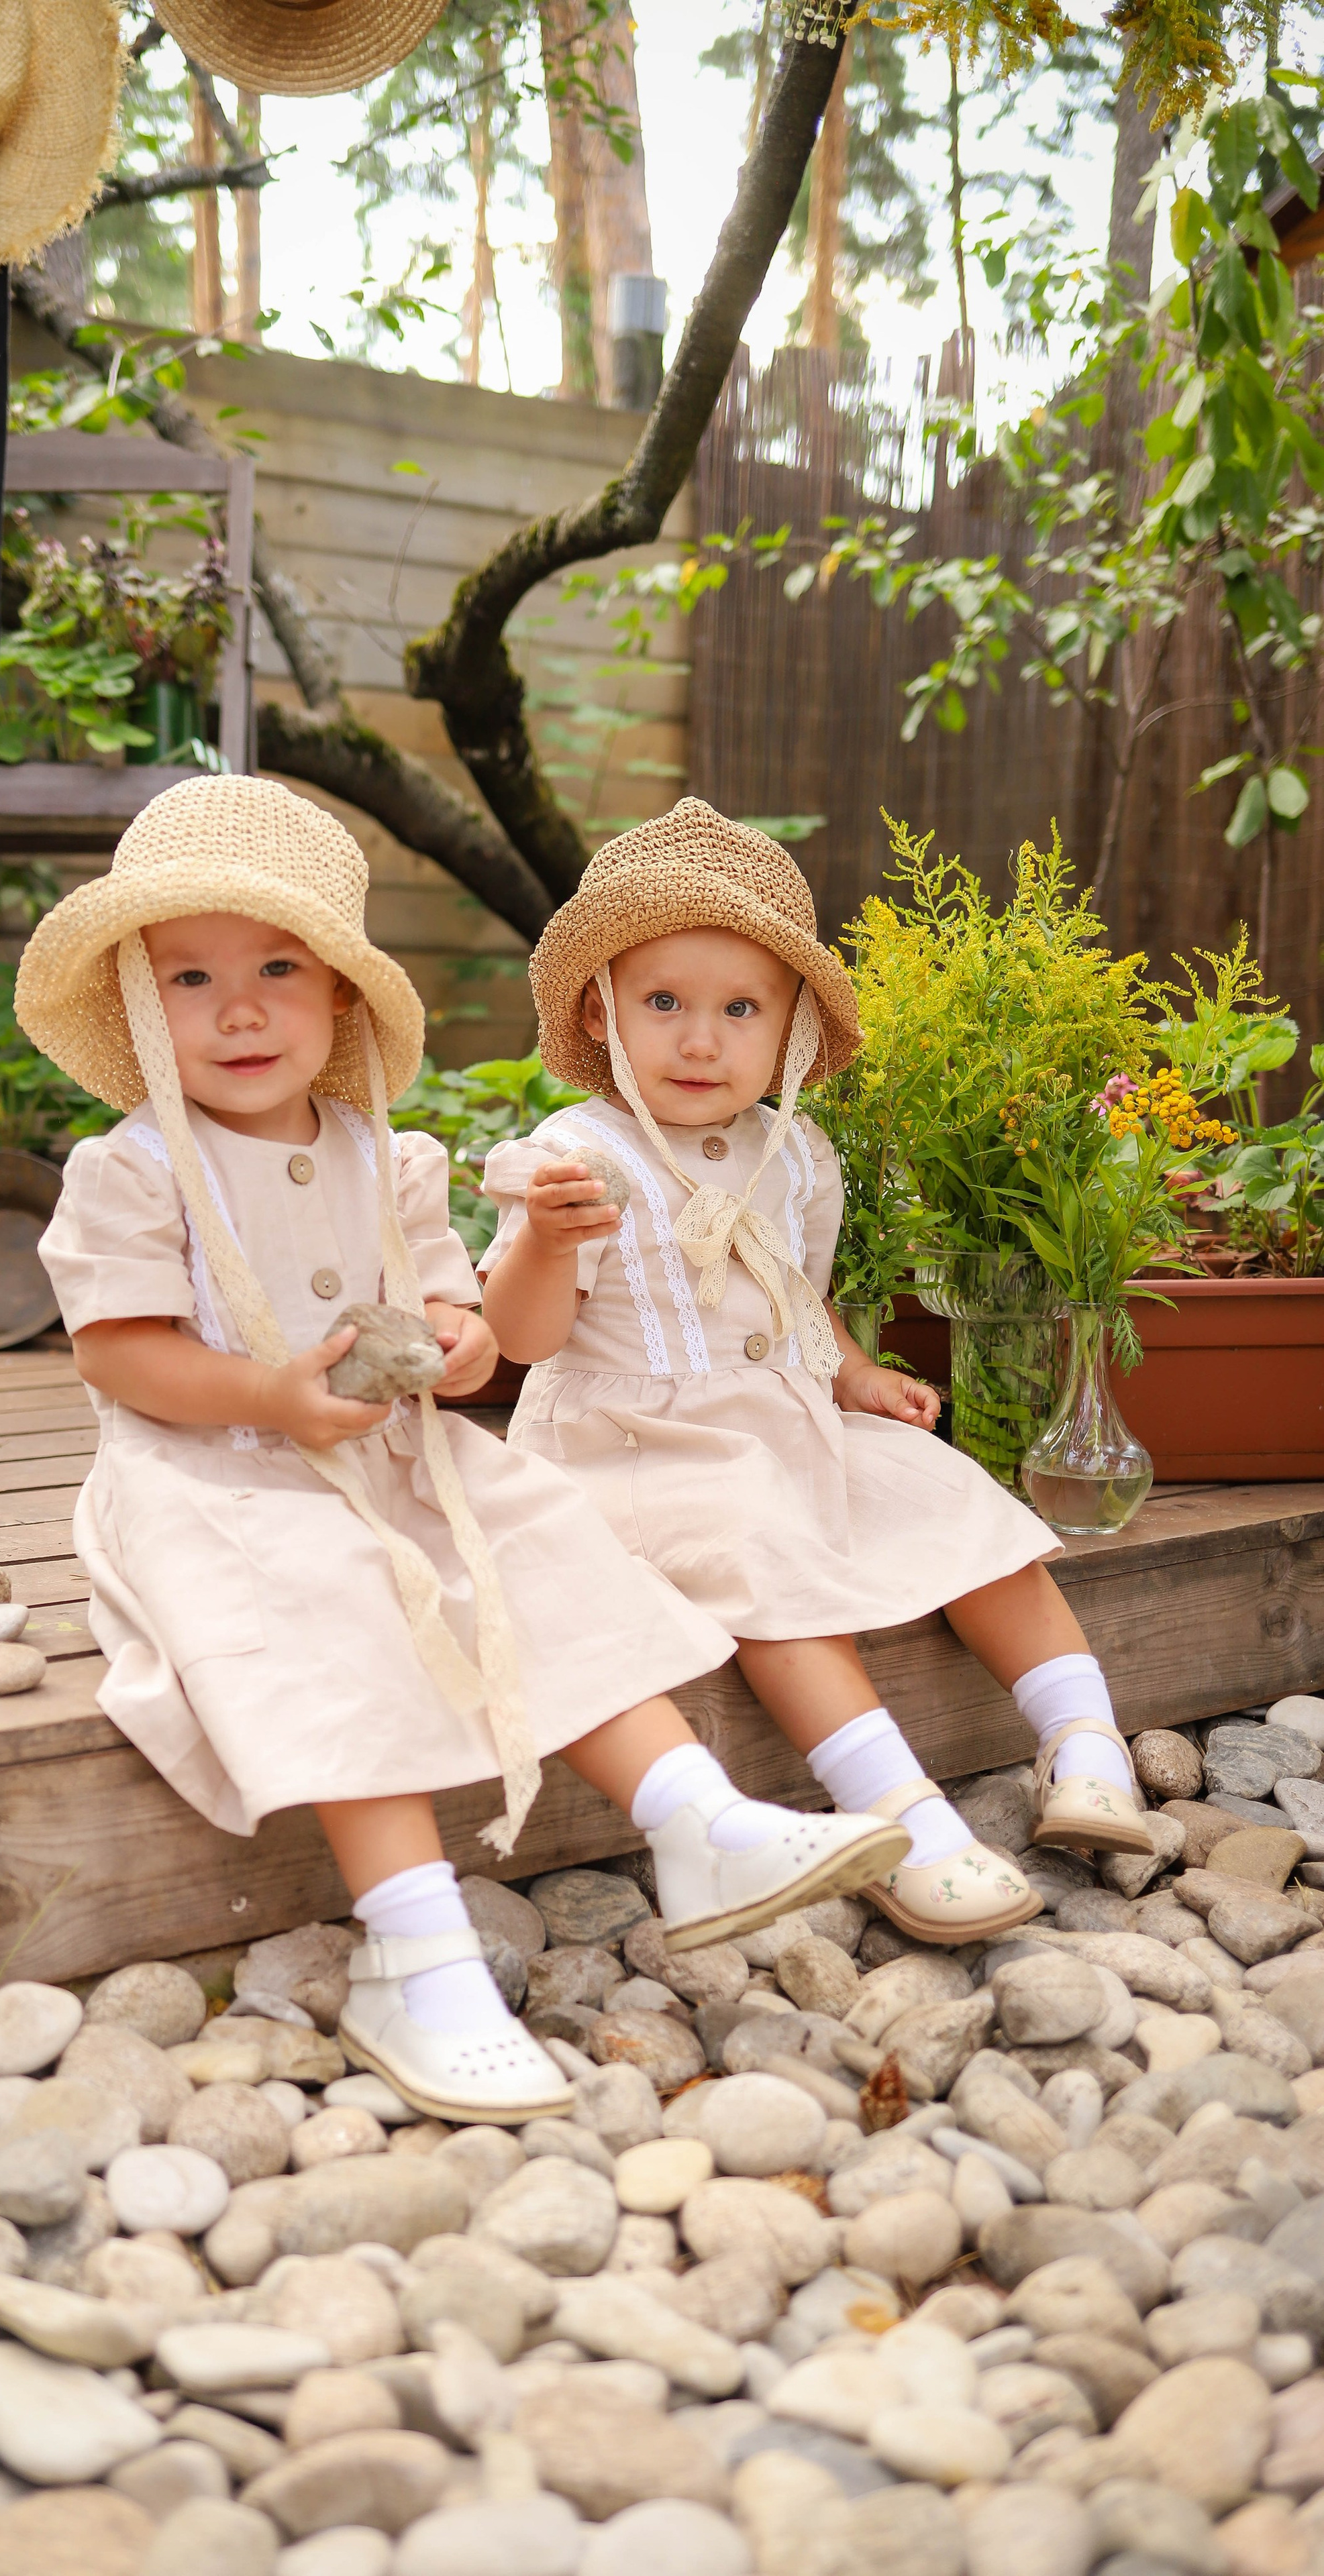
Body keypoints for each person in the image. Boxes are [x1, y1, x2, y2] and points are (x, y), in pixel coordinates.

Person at [15, 777, 910, 2127]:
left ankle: (696, 1821)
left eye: (276, 971)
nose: (239, 1011)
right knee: (330, 1606)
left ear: (339, 996)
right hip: (220, 1477)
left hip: (396, 1457)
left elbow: (468, 1329)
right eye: (190, 978)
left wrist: (455, 1342)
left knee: (541, 1547)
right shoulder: (135, 1169)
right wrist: (268, 1392)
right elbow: (118, 1351)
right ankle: (416, 1958)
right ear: (140, 1006)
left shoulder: (391, 1158)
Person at [477, 800, 1156, 1946]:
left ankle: (1084, 1739)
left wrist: (854, 1374)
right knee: (764, 1553)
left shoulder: (795, 1153)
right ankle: (898, 1815)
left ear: (790, 1028)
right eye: (664, 1004)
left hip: (790, 1421)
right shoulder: (577, 1157)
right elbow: (523, 1339)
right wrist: (545, 1243)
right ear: (601, 1012)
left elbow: (797, 1297)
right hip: (645, 1451)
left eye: (740, 1010)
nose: (702, 1043)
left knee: (954, 1498)